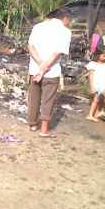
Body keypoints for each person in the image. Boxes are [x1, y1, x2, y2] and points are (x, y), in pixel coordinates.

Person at [27, 8, 72, 137]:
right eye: (69, 20)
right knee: (48, 100)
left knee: (34, 97)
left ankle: (33, 125)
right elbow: (57, 53)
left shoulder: (38, 27)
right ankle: (44, 130)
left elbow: (30, 47)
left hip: (34, 69)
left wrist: (40, 65)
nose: (69, 23)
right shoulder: (65, 32)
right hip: (51, 71)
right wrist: (44, 68)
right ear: (65, 18)